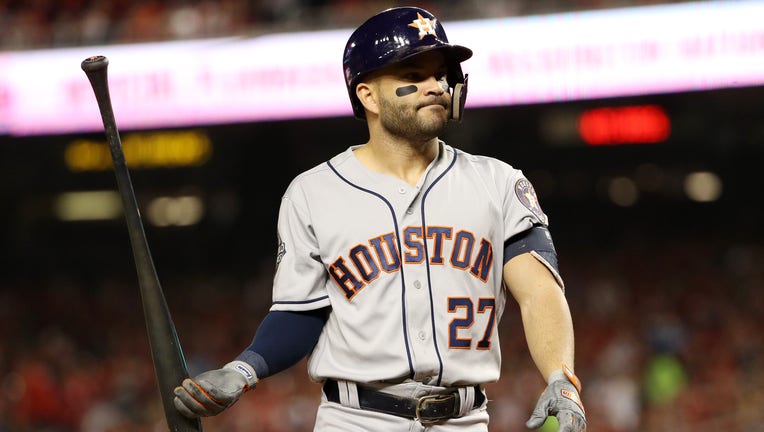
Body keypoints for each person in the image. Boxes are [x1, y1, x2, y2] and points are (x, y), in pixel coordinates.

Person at [173, 6, 586, 431]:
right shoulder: (314, 192)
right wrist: (244, 371)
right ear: (367, 95)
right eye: (413, 75)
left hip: (463, 421)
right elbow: (300, 313)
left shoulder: (499, 183)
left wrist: (561, 377)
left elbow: (539, 292)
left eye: (440, 75)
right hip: (354, 420)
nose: (434, 87)